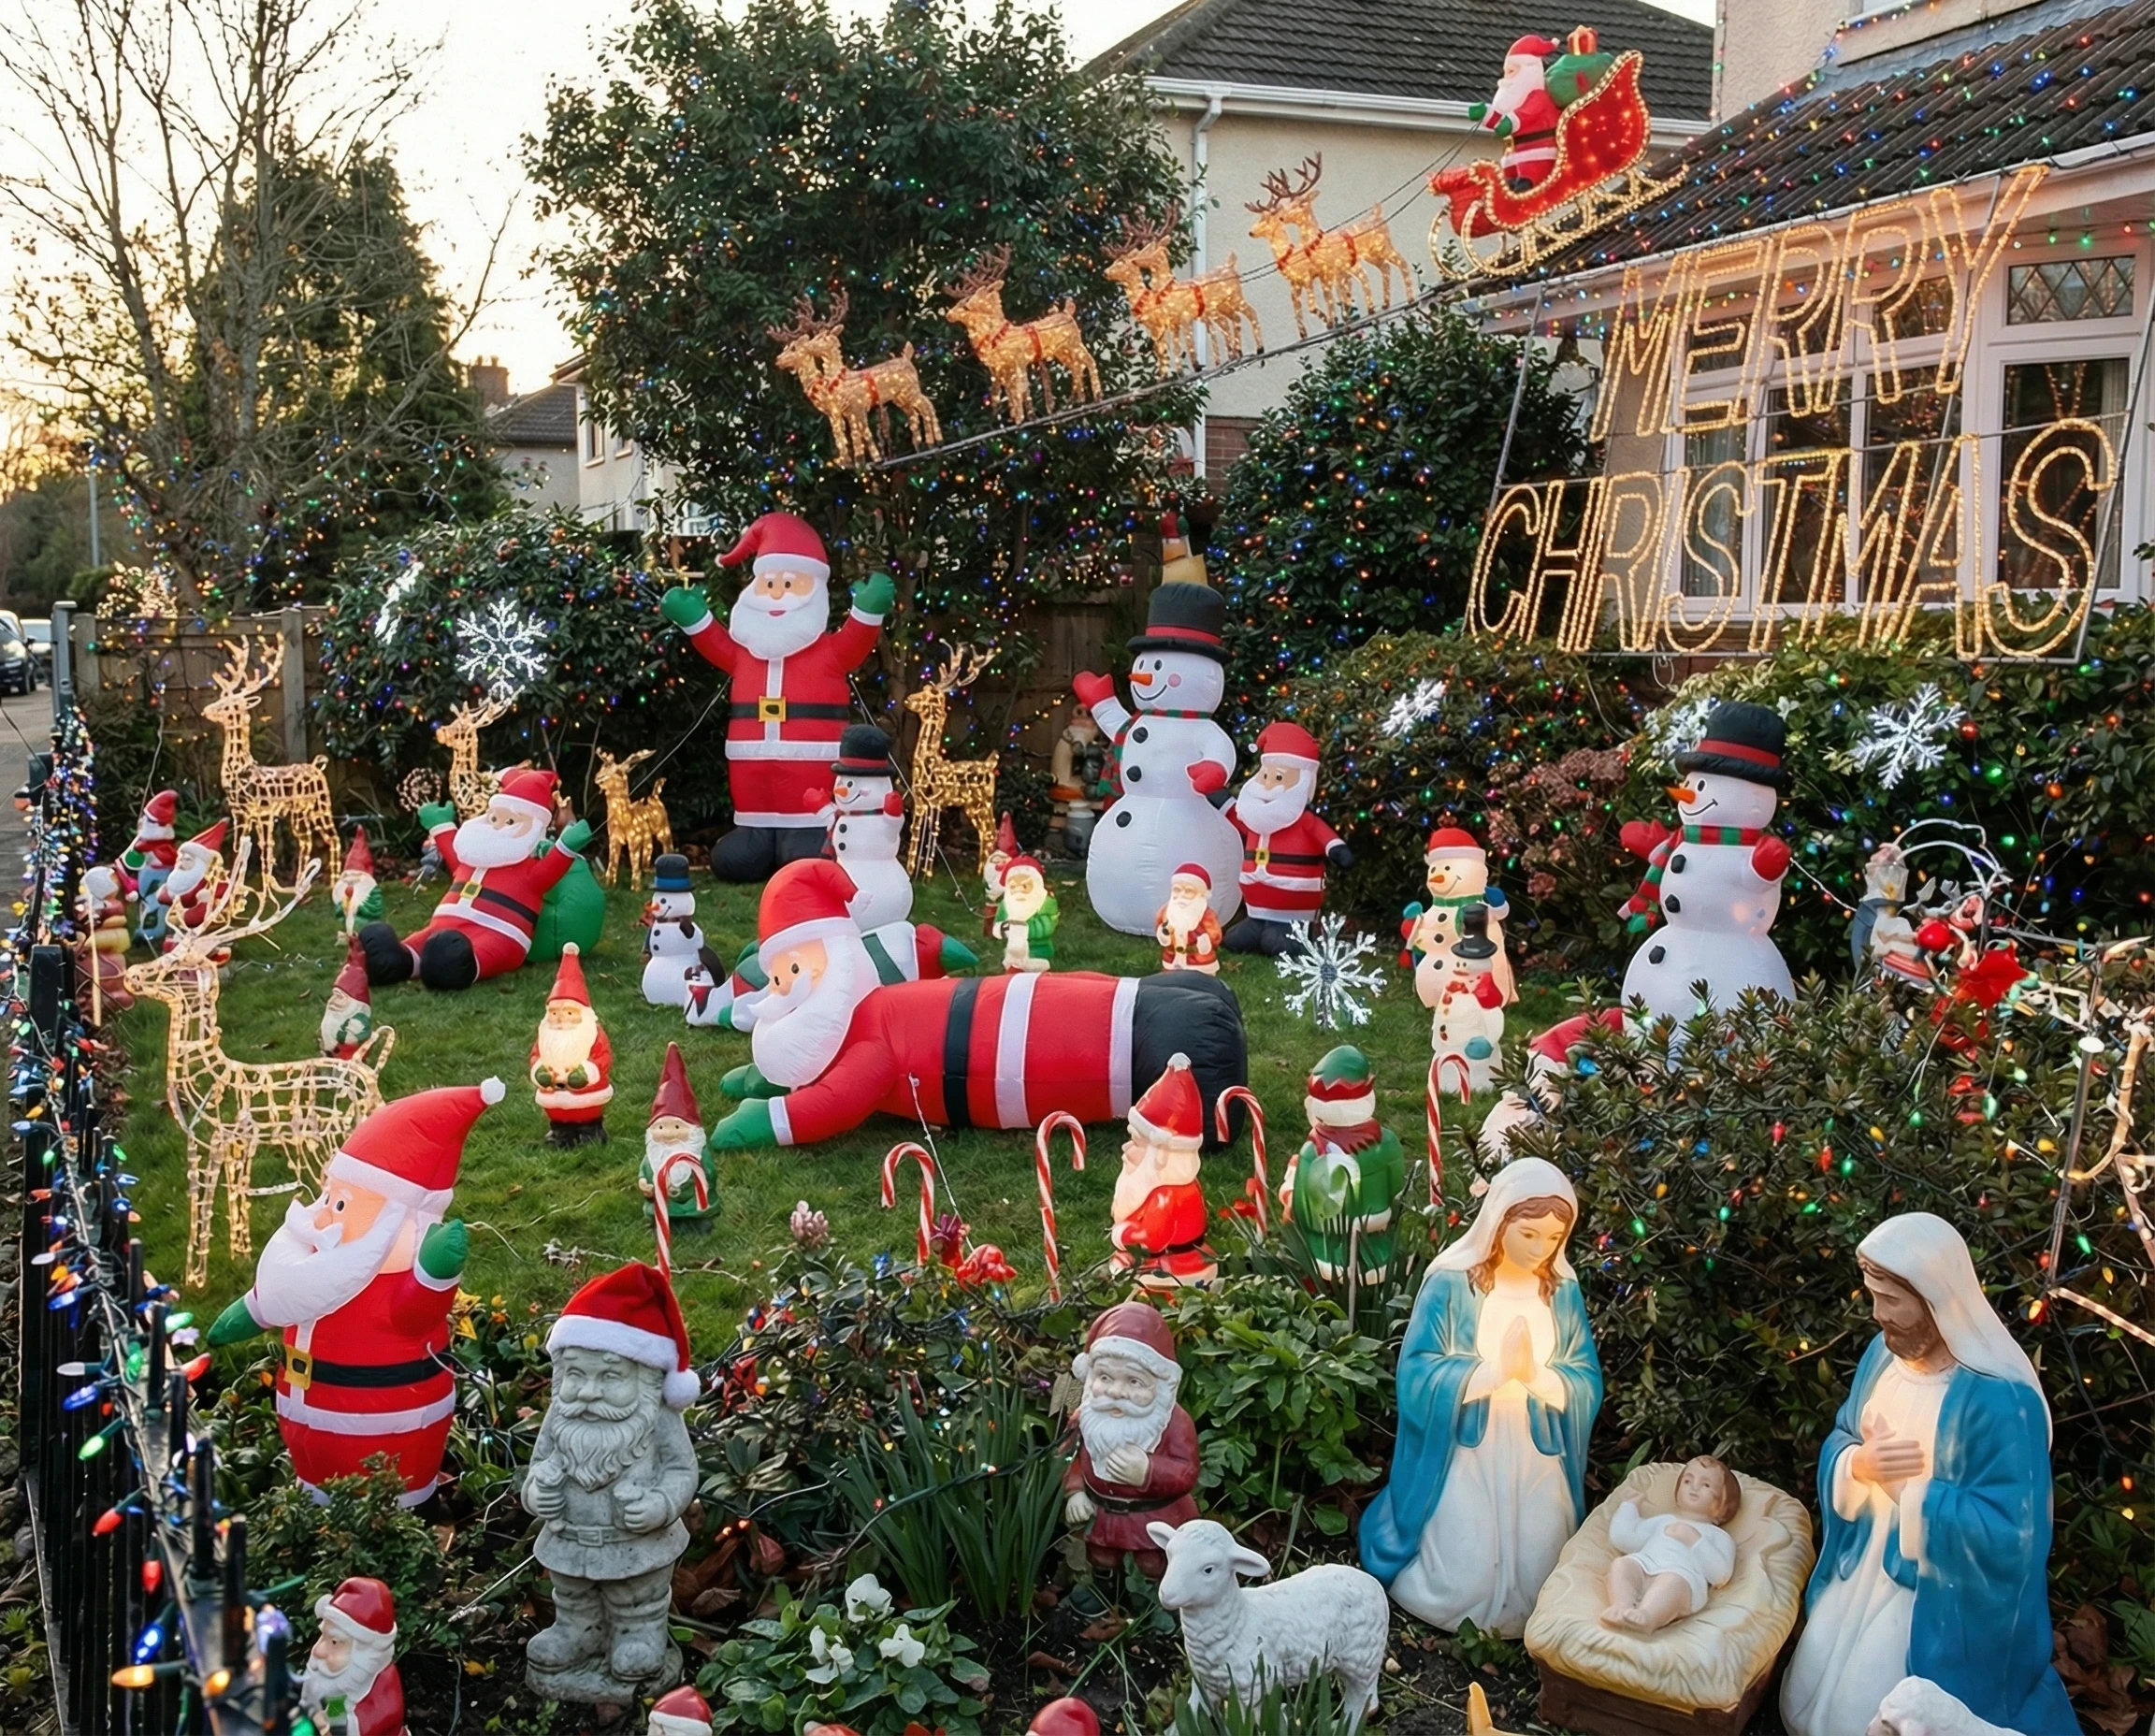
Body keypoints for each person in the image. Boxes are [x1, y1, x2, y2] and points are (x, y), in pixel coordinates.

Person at [1780, 1213, 2076, 1736]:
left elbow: (2015, 1535)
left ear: (1935, 1298)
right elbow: (1843, 1436)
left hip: (1932, 1599)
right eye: (1873, 1296)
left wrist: (1914, 1497)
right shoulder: (1881, 1358)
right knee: (1810, 1696)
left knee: (1865, 1711)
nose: (1878, 1315)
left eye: (1891, 1300)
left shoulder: (2000, 1402)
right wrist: (1858, 1466)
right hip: (1864, 1563)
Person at [1360, 1157, 1601, 1636]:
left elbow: (1586, 1378)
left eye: (1553, 1239)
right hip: (1463, 1455)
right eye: (1528, 1234)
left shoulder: (1562, 1291)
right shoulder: (1452, 1283)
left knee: (1542, 1566)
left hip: (1538, 1455)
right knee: (1462, 1577)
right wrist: (1490, 1374)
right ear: (1498, 1223)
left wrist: (1536, 1376)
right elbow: (1416, 1373)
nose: (1540, 1249)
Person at [1062, 1300, 1202, 1580]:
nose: (1117, 1392)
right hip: (1101, 1512)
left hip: (1154, 1517)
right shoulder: (1086, 1417)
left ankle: (1154, 1600)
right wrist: (1075, 1490)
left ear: (1160, 1384)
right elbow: (1069, 1456)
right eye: (1105, 1377)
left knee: (1152, 1562)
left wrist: (1148, 1471)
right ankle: (1103, 1595)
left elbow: (1186, 1471)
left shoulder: (1173, 1422)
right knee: (1101, 1557)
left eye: (1134, 1382)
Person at [1601, 1455, 1743, 1631]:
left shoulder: (1718, 1536)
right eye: (1688, 1481)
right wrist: (1629, 1506)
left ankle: (1647, 1615)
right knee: (1622, 1564)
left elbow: (1720, 1575)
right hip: (1645, 1566)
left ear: (1724, 1505)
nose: (1694, 1487)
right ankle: (1621, 1606)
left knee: (1670, 1581)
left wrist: (1694, 1540)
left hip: (1682, 1580)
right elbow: (1624, 1538)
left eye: (1706, 1485)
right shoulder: (1663, 1520)